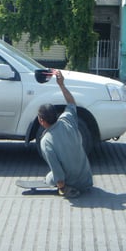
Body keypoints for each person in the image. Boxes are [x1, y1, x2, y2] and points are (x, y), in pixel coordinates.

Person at [38, 69, 93, 198]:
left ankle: (68, 189)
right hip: (86, 179)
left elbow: (58, 172)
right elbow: (71, 103)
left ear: (41, 120)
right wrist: (61, 84)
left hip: (72, 182)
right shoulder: (66, 120)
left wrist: (61, 187)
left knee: (49, 178)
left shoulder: (46, 141)